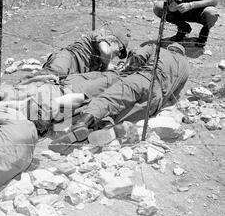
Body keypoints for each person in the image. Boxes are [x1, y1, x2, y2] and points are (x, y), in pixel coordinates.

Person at [49, 42, 190, 154]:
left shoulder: (157, 48)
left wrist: (129, 71)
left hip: (142, 79)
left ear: (170, 48)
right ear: (182, 54)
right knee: (123, 115)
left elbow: (138, 58)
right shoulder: (185, 68)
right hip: (156, 99)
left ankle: (81, 125)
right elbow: (175, 95)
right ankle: (107, 130)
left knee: (108, 100)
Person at [30, 30, 129, 79]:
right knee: (52, 74)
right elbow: (106, 52)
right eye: (119, 50)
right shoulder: (100, 35)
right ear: (113, 41)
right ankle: (18, 87)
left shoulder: (101, 62)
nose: (117, 54)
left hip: (74, 75)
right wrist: (105, 66)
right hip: (69, 58)